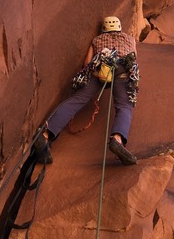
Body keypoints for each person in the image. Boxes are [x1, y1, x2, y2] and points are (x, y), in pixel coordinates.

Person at [33, 16, 139, 166]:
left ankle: (45, 135)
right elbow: (134, 60)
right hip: (122, 71)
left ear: (104, 29)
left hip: (99, 70)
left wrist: (96, 74)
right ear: (120, 27)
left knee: (76, 100)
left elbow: (86, 63)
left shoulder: (96, 40)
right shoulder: (130, 39)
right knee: (124, 106)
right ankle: (117, 140)